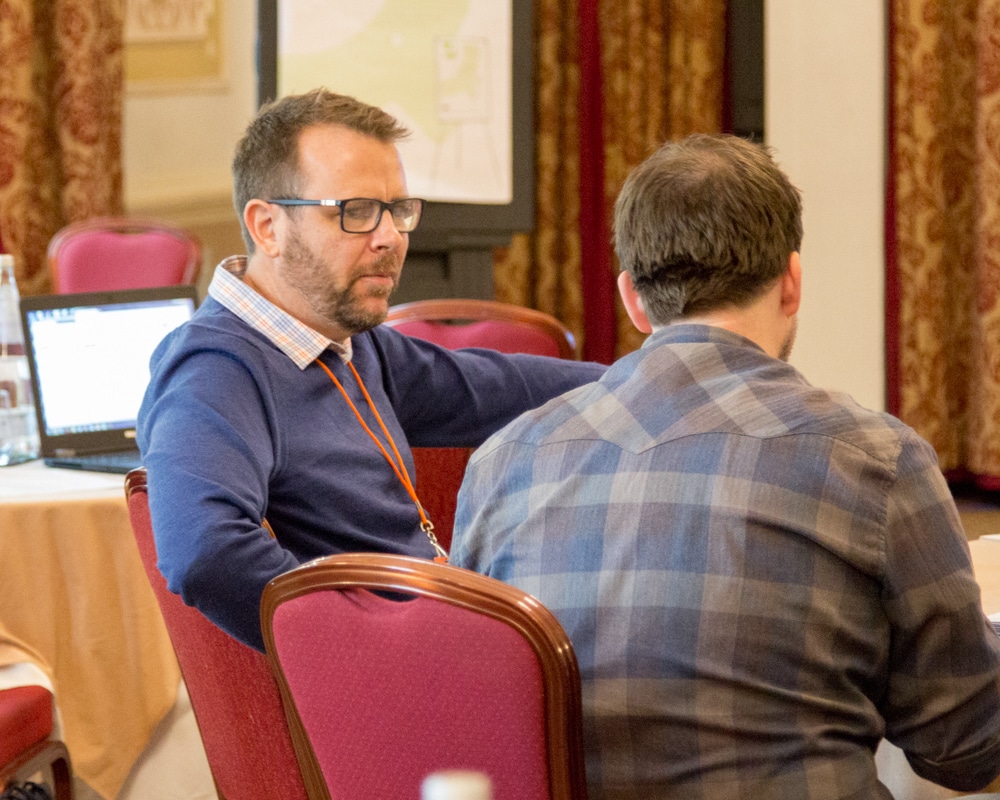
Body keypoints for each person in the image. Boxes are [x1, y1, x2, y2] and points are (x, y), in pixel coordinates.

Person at [451, 134, 1000, 799]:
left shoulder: (501, 461)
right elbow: (966, 750)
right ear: (791, 282)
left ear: (631, 297)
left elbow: (477, 712)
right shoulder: (876, 461)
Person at [137, 88, 604, 652]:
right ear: (267, 227)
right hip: (396, 690)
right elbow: (204, 553)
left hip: (443, 643)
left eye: (397, 210)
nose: (390, 238)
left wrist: (655, 372)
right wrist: (362, 659)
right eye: (356, 212)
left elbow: (502, 388)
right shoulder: (216, 369)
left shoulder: (345, 344)